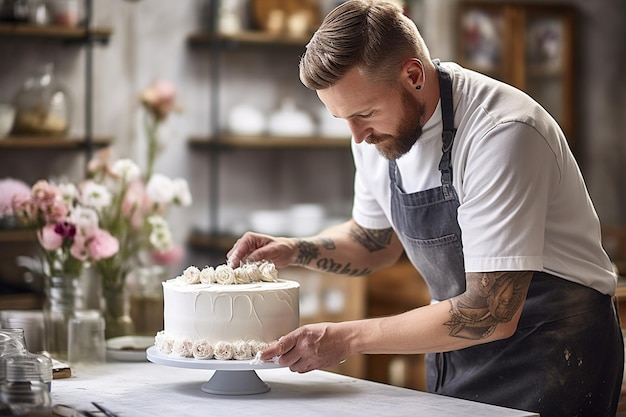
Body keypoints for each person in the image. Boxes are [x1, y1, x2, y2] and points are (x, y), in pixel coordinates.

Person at [226, 1, 624, 415]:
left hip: (552, 350)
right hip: (458, 347)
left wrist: (346, 338)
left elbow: (491, 310)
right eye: (342, 118)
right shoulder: (373, 135)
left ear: (413, 75)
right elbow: (374, 242)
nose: (357, 136)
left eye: (364, 113)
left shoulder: (501, 133)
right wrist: (295, 250)